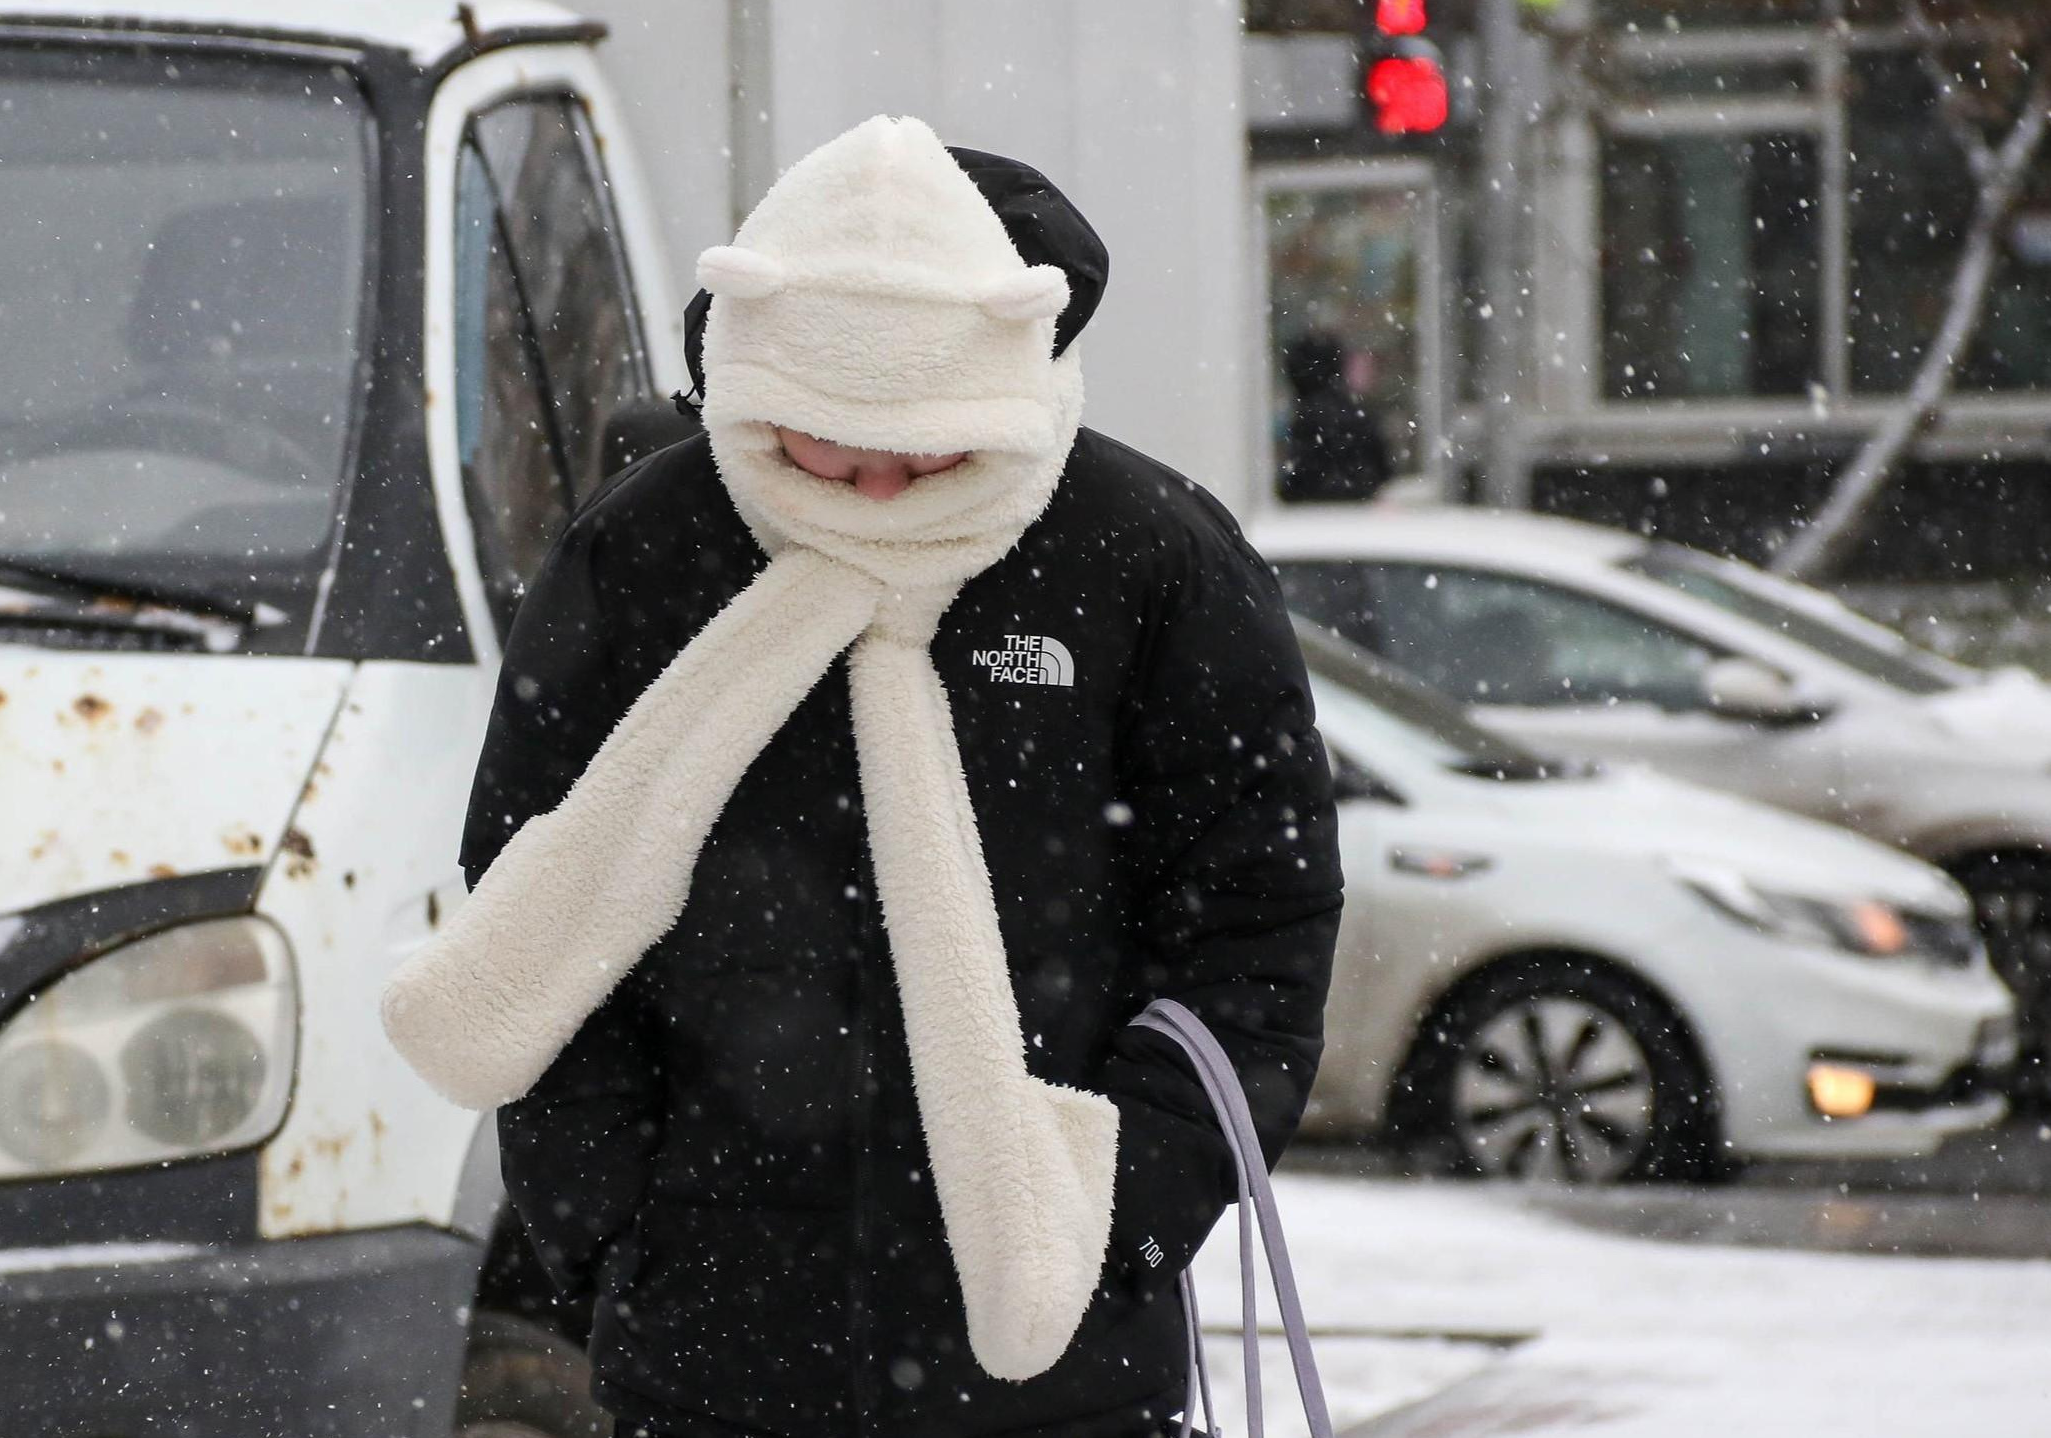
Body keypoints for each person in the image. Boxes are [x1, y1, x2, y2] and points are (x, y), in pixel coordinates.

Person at [383, 116, 1342, 1438]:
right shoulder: (652, 555)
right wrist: (612, 1223)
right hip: (710, 1347)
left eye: (931, 444)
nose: (880, 478)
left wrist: (1115, 1217)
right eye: (832, 440)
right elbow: (530, 882)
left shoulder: (1144, 558)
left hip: (1057, 1358)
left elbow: (1258, 926)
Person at [1275, 330, 1393, 504]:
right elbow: (1382, 469)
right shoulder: (1356, 412)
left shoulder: (1307, 417)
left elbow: (1297, 479)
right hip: (1359, 511)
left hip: (1309, 515)